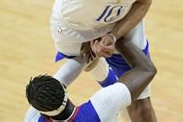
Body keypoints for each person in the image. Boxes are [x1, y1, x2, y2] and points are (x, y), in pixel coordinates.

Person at [25, 38, 157, 121]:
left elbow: (60, 79)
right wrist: (116, 37)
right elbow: (147, 70)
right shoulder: (103, 104)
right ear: (63, 90)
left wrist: (90, 52)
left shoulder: (32, 119)